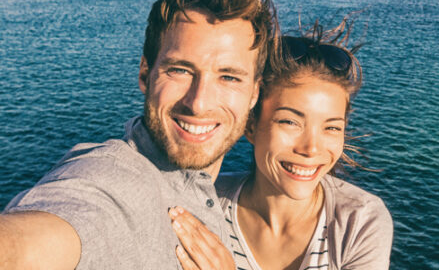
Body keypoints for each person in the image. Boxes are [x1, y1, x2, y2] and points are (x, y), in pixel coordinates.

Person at [0, 0, 277, 270]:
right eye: (179, 70)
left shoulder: (220, 193)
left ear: (254, 92)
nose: (199, 102)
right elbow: (4, 249)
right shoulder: (115, 183)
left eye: (229, 77)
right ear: (145, 73)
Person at [168, 21, 393, 270]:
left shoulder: (358, 221)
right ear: (250, 125)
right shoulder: (203, 205)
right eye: (290, 122)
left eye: (331, 127)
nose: (311, 148)